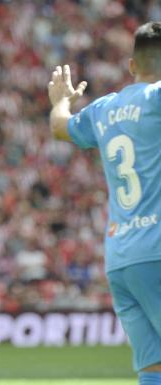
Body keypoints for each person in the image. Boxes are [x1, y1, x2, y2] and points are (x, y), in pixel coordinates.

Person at [48, 22, 161, 385]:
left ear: (131, 66)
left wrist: (61, 100)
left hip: (121, 259)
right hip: (158, 249)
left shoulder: (104, 109)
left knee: (152, 369)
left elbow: (60, 126)